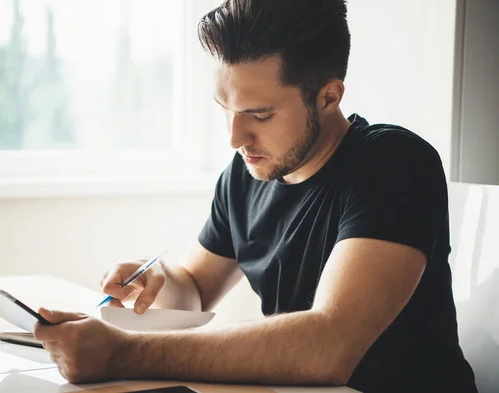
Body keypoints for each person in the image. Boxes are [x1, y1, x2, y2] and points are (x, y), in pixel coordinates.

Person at [33, 1, 478, 392]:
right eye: (224, 109)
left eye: (259, 115)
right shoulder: (246, 174)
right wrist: (160, 281)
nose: (234, 138)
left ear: (328, 97)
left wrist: (122, 353)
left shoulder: (395, 163)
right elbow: (194, 289)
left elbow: (328, 345)